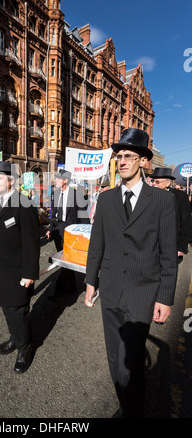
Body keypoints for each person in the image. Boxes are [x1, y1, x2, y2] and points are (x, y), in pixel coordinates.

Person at [85, 128, 178, 418]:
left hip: (143, 292)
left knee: (133, 359)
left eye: (127, 156)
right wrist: (90, 282)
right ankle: (126, 405)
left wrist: (165, 298)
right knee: (115, 356)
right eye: (118, 156)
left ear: (142, 161)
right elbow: (97, 243)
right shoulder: (107, 199)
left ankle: (134, 409)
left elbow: (167, 253)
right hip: (111, 289)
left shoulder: (162, 201)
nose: (121, 161)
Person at [0, 161, 40, 374]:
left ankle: (25, 348)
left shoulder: (24, 203)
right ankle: (15, 338)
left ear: (11, 181)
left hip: (18, 269)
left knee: (17, 310)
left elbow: (32, 242)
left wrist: (30, 273)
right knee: (6, 307)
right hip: (0, 268)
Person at [46, 169, 89, 300]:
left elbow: (83, 216)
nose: (56, 181)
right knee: (66, 259)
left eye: (58, 179)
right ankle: (72, 286)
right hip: (58, 230)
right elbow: (53, 214)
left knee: (64, 261)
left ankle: (58, 291)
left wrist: (85, 234)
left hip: (71, 231)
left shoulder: (76, 195)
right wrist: (49, 228)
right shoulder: (55, 194)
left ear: (65, 181)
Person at [151, 167, 192, 263]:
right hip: (152, 248)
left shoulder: (180, 197)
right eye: (153, 181)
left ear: (168, 183)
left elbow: (186, 223)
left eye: (157, 182)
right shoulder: (148, 196)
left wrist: (181, 248)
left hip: (172, 247)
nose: (153, 184)